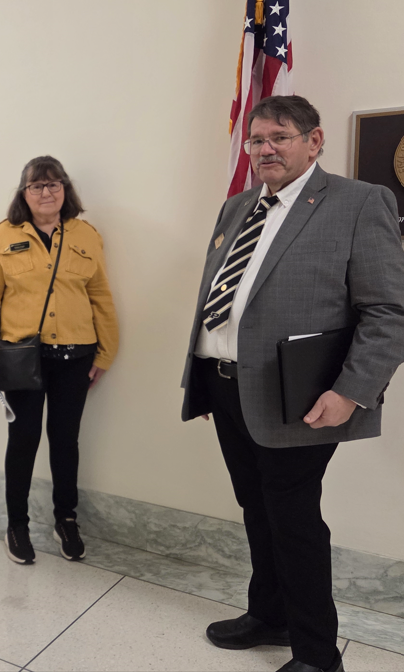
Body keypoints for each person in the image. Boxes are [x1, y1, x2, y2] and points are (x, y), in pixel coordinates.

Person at [181, 95, 404, 672]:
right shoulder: (235, 208)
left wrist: (351, 391)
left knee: (295, 521)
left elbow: (388, 311)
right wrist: (208, 377)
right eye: (257, 140)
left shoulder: (358, 202)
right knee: (256, 507)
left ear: (314, 140)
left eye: (279, 136)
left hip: (303, 398)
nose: (265, 149)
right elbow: (228, 298)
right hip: (228, 387)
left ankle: (317, 654)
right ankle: (269, 615)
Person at [0, 156, 119, 565]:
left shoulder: (86, 235)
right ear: (24, 193)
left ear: (66, 190)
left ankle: (65, 518)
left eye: (55, 184)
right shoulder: (2, 236)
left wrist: (107, 351)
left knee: (65, 440)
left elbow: (101, 296)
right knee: (23, 440)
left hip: (76, 355)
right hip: (22, 357)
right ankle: (16, 523)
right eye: (37, 186)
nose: (47, 192)